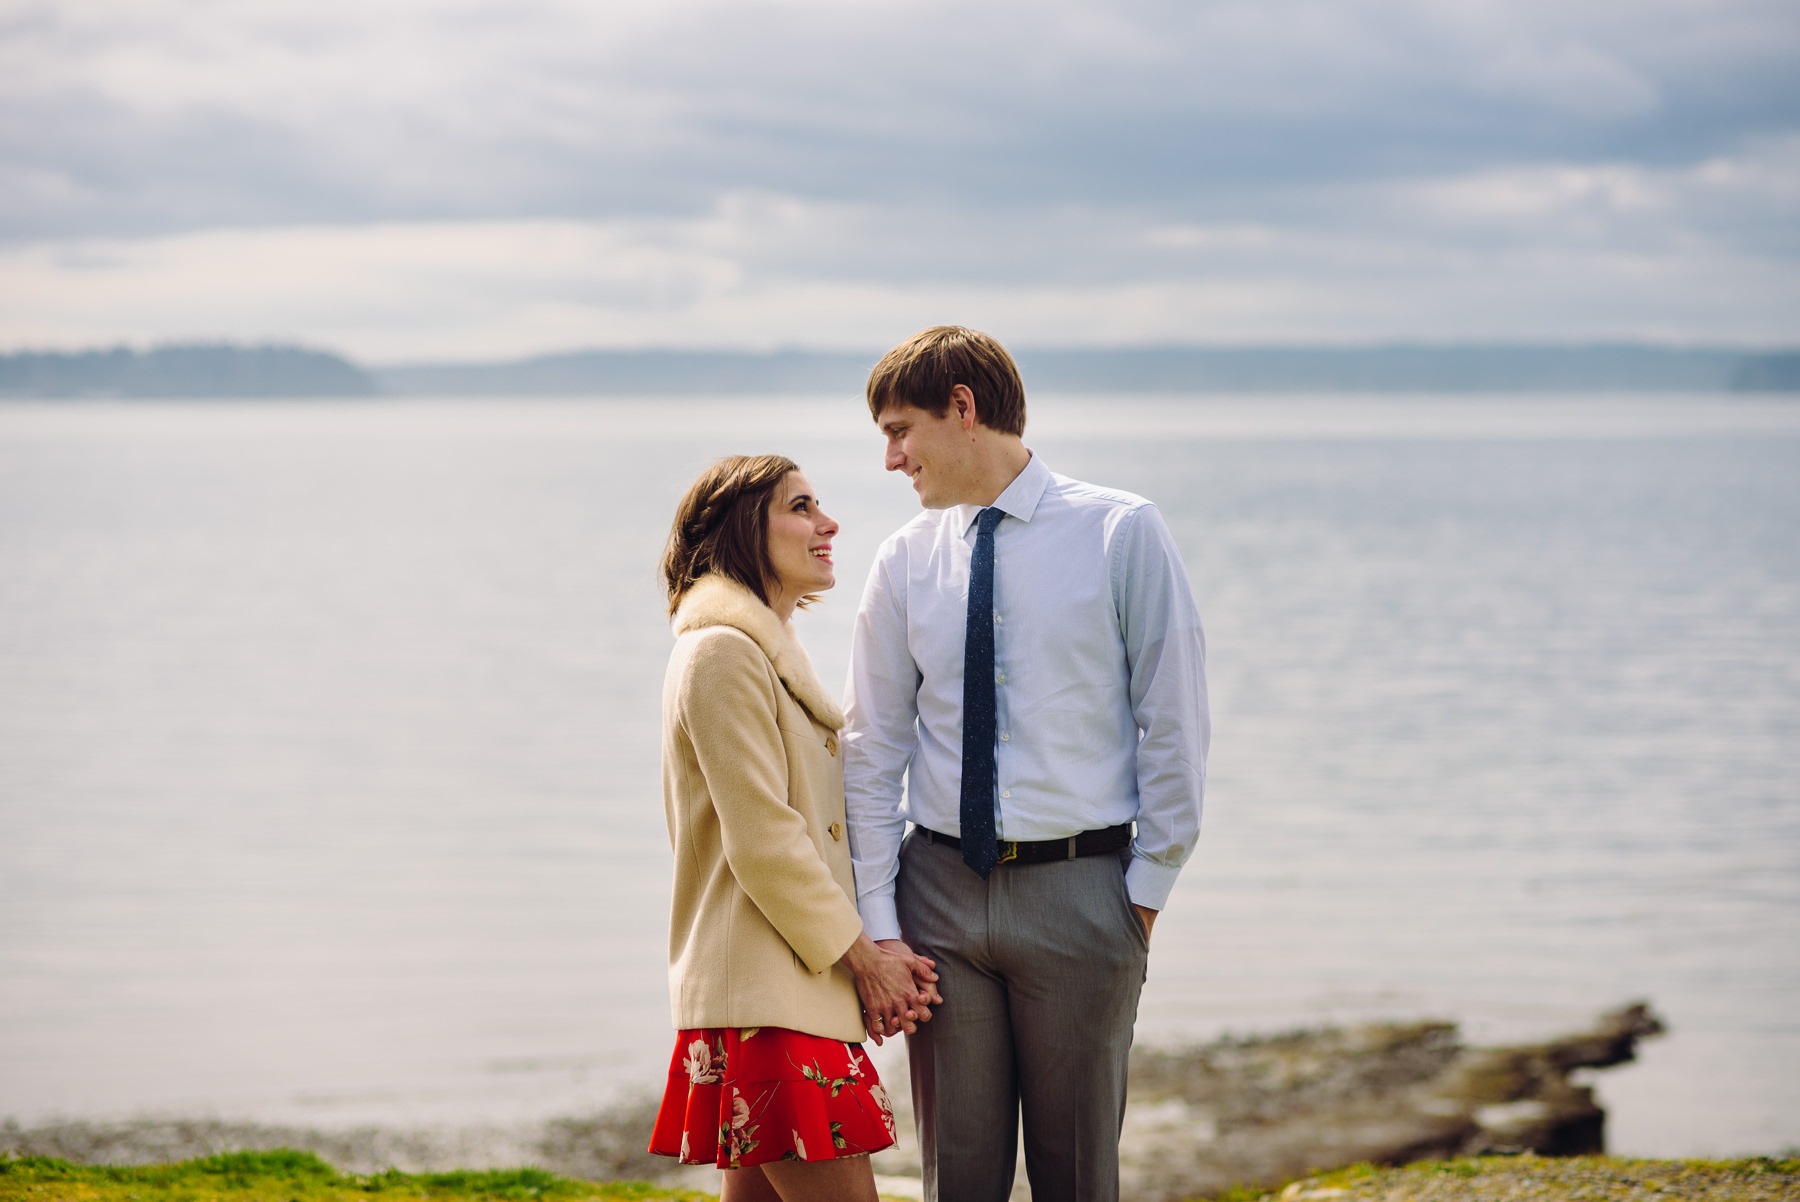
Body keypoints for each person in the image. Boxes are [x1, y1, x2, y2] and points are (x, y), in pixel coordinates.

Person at [842, 327, 1210, 1202]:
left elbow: (1176, 723)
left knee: (1078, 1179)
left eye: (900, 431)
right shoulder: (904, 560)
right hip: (935, 900)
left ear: (962, 409)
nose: (892, 459)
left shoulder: (1123, 533)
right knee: (956, 1181)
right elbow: (871, 749)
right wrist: (879, 918)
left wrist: (1143, 895)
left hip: (1083, 895)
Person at [648, 454, 943, 1202]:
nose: (828, 523)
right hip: (767, 1004)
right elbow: (766, 842)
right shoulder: (721, 653)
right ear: (746, 529)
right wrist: (867, 961)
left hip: (777, 995)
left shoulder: (756, 649)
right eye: (802, 507)